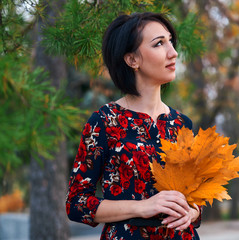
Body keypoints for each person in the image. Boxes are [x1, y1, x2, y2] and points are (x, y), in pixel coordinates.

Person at [66, 12, 201, 239]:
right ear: (132, 60)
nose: (173, 52)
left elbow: (198, 197)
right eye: (159, 43)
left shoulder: (182, 124)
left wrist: (192, 212)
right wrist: (143, 207)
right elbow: (76, 203)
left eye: (170, 41)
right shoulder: (104, 121)